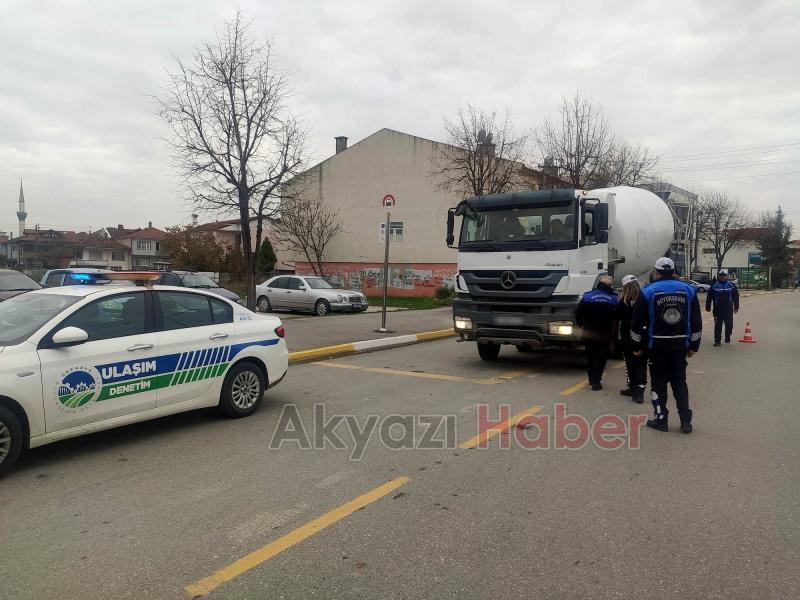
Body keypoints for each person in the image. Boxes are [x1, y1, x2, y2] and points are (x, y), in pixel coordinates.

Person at [631, 257, 702, 433]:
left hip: (657, 346)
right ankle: (685, 421)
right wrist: (694, 346)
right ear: (674, 271)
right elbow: (696, 321)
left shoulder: (648, 291)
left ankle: (661, 420)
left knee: (658, 383)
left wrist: (636, 346)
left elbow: (636, 323)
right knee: (679, 382)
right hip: (680, 345)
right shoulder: (689, 290)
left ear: (657, 273)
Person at [575, 276, 619, 391]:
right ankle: (596, 380)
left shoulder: (587, 296)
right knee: (601, 356)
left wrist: (580, 324)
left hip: (589, 332)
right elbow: (617, 317)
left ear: (599, 284)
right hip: (604, 333)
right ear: (609, 286)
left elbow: (578, 312)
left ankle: (591, 377)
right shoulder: (613, 299)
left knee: (590, 355)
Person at [616, 275, 647, 403]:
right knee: (640, 364)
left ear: (625, 287)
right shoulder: (644, 299)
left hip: (627, 337)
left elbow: (618, 318)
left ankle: (634, 389)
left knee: (630, 364)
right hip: (642, 336)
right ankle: (637, 391)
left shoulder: (623, 301)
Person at [706, 269, 739, 346]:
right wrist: (708, 307)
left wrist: (736, 306)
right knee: (718, 325)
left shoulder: (731, 285)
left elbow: (736, 296)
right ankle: (717, 341)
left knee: (729, 325)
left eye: (724, 275)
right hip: (717, 310)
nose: (722, 277)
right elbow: (709, 297)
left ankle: (727, 337)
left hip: (728, 309)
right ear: (718, 276)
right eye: (721, 275)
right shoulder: (714, 286)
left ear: (727, 276)